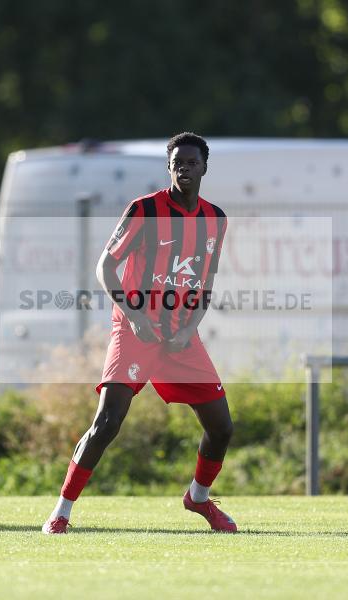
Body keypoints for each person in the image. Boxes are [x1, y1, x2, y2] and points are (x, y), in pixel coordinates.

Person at [42, 132, 236, 534]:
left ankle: (197, 499)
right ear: (169, 167)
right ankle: (61, 512)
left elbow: (206, 282)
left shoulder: (215, 219)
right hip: (136, 330)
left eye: (192, 162)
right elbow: (105, 268)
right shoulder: (144, 210)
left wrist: (191, 328)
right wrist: (133, 315)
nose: (184, 168)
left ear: (204, 167)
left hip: (181, 336)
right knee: (108, 422)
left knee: (221, 428)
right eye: (177, 162)